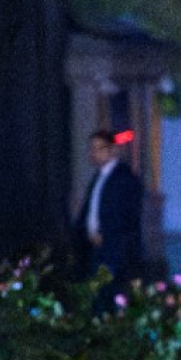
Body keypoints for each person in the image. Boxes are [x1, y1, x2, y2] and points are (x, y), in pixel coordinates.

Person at [73, 130, 143, 304]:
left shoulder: (123, 178)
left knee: (106, 296)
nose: (94, 153)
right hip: (95, 249)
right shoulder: (100, 177)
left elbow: (126, 216)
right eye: (92, 149)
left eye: (100, 148)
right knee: (95, 296)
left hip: (112, 251)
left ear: (112, 150)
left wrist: (106, 234)